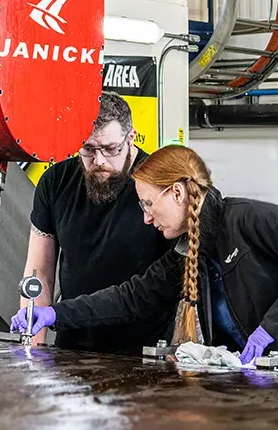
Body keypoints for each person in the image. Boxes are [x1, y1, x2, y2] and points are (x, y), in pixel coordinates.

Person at [12, 145, 278, 378]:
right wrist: (55, 315)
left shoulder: (246, 220)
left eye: (148, 204)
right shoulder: (186, 253)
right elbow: (131, 297)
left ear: (177, 193)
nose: (146, 217)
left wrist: (269, 329)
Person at [18, 92, 174, 355]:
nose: (99, 161)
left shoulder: (159, 184)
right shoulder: (55, 182)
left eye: (111, 149)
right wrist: (32, 348)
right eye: (88, 149)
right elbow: (39, 273)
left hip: (143, 353)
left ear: (131, 138)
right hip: (71, 346)